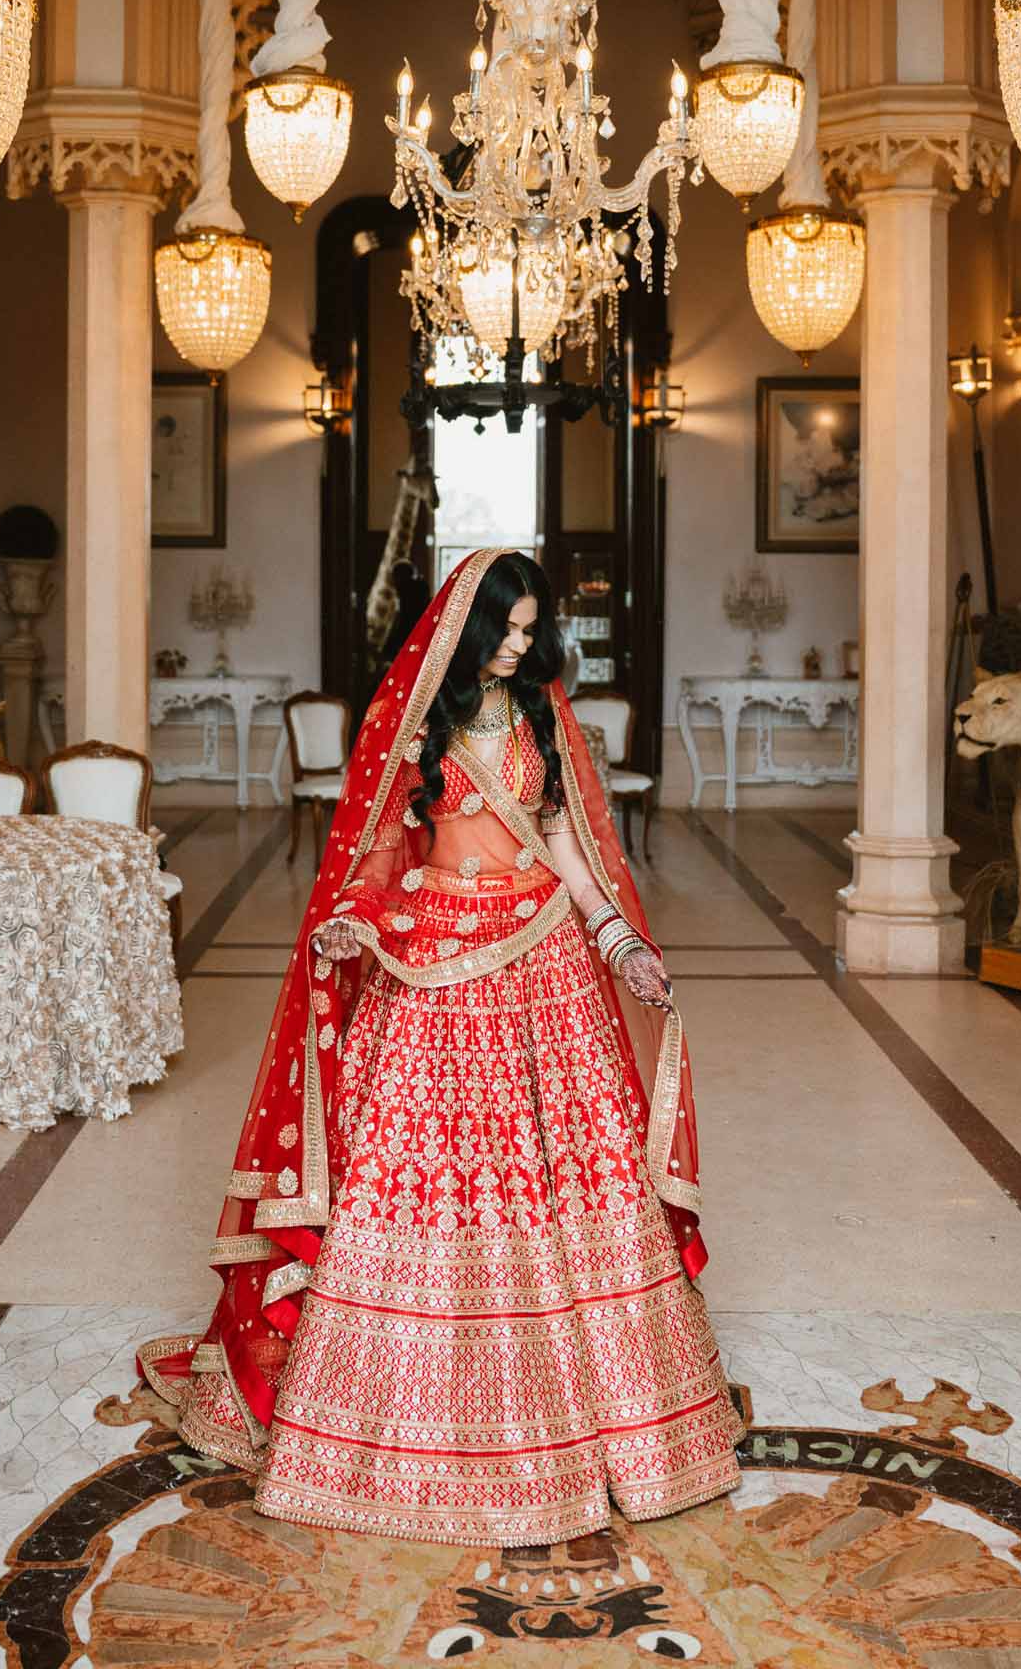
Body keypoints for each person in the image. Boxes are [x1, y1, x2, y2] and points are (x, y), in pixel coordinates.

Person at [139, 549, 741, 1545]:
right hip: (429, 963)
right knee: (424, 1175)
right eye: (505, 629)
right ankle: (395, 1426)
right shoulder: (420, 724)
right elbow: (380, 852)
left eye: (530, 629)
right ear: (466, 629)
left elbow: (565, 848)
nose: (520, 645)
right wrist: (355, 921)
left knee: (562, 1179)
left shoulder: (544, 716)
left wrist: (623, 941)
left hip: (544, 956)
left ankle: (610, 1423)